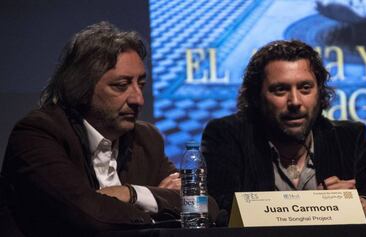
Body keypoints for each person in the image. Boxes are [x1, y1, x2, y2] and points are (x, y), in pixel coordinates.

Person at [1, 22, 217, 236]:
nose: (138, 99)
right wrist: (158, 207)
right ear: (81, 87)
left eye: (140, 84)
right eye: (121, 86)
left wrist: (132, 193)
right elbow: (88, 216)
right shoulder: (38, 134)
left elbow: (206, 206)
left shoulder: (146, 138)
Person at [201, 40, 366, 220]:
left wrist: (364, 205)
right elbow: (220, 212)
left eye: (305, 88)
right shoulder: (227, 135)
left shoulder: (349, 138)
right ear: (256, 97)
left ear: (319, 92)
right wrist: (319, 205)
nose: (295, 101)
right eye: (280, 89)